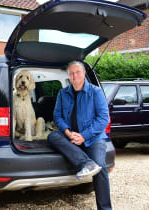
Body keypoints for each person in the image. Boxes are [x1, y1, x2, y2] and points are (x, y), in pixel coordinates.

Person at [47, 61, 111, 210]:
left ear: (83, 74)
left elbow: (103, 119)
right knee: (53, 136)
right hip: (71, 136)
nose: (74, 76)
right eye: (71, 73)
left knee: (100, 168)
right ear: (68, 76)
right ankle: (85, 163)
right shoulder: (63, 93)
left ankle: (105, 208)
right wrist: (68, 133)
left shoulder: (95, 92)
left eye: (77, 72)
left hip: (93, 138)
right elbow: (57, 116)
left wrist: (83, 136)